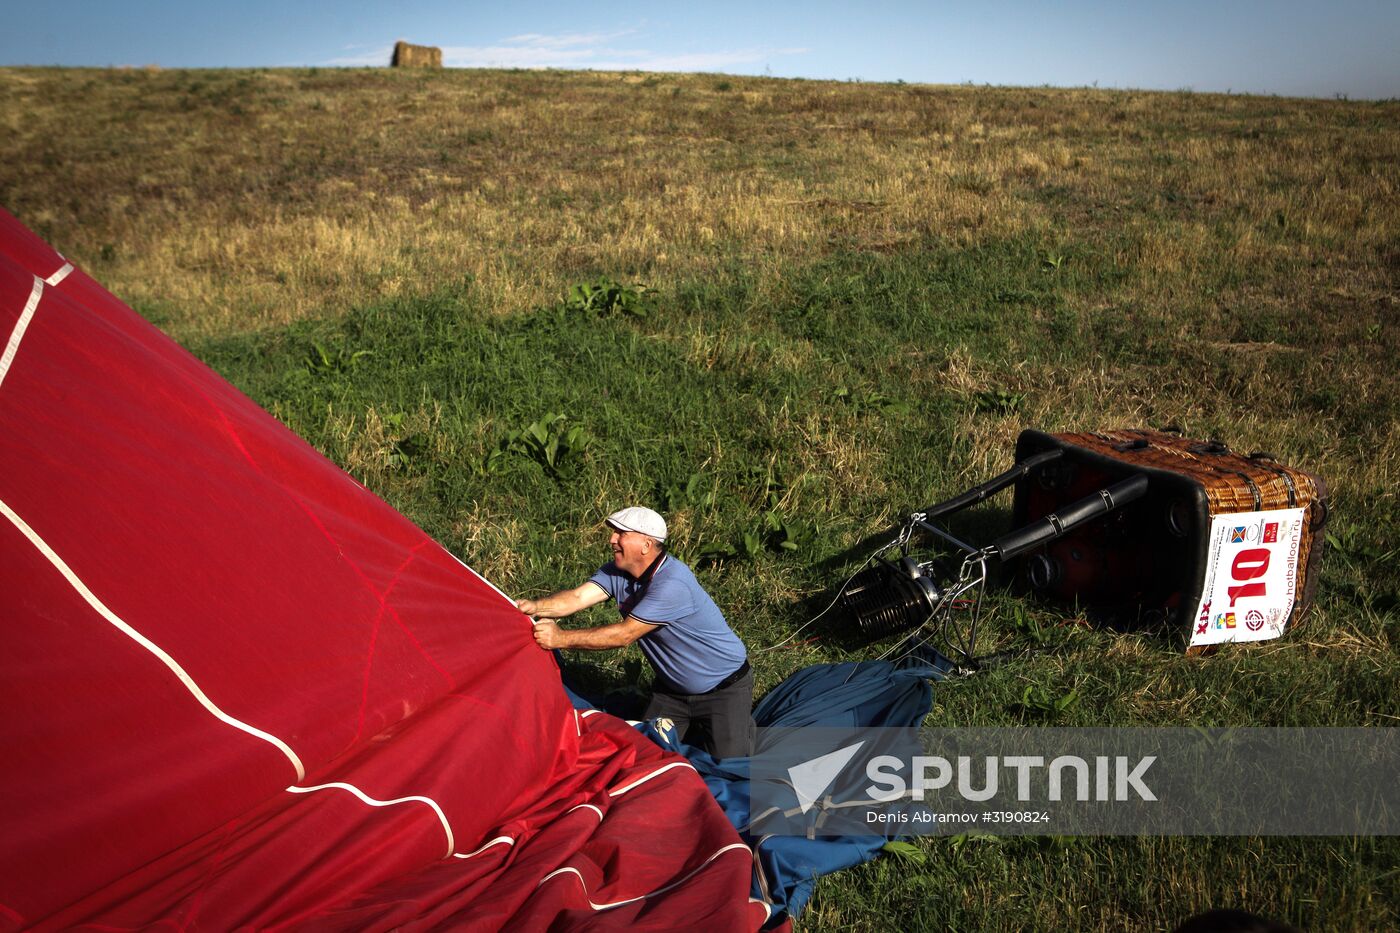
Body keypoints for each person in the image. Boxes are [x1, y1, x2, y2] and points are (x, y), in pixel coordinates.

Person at [518, 506, 754, 759]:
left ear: (646, 545)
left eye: (621, 533)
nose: (612, 539)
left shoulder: (672, 584)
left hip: (723, 689)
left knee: (731, 767)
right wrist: (536, 607)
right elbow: (576, 598)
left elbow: (624, 635)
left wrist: (560, 639)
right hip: (672, 691)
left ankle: (743, 727)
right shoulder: (617, 572)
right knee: (644, 757)